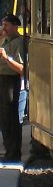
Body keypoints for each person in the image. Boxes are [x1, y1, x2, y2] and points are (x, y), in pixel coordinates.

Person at [0, 14, 24, 161]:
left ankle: (14, 152)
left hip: (10, 80)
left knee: (10, 117)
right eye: (3, 25)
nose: (4, 28)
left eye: (7, 25)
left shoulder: (19, 43)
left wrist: (6, 58)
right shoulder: (4, 40)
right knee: (3, 117)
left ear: (15, 26)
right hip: (1, 79)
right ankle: (8, 149)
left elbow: (22, 68)